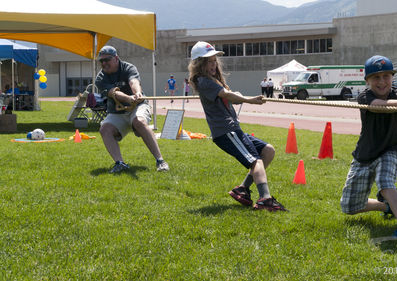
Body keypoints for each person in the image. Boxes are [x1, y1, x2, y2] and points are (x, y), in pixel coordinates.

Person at [188, 41, 286, 211]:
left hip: (233, 129)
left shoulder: (214, 80)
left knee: (268, 151)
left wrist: (240, 96)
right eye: (208, 61)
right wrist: (250, 100)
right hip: (226, 132)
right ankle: (265, 199)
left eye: (214, 61)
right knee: (255, 161)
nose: (213, 65)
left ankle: (242, 190)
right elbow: (227, 95)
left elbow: (229, 95)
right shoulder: (203, 81)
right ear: (199, 64)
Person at [340, 55, 397, 237]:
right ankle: (386, 206)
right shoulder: (365, 96)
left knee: (385, 184)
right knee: (349, 207)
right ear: (368, 81)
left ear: (392, 77)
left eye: (386, 76)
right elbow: (377, 106)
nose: (381, 81)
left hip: (390, 149)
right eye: (376, 77)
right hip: (364, 154)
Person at [94, 45, 170, 173]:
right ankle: (120, 163)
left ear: (116, 58)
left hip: (138, 106)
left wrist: (138, 93)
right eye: (101, 61)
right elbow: (114, 93)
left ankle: (160, 161)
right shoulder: (100, 79)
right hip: (117, 112)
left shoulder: (128, 67)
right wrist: (129, 98)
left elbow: (134, 82)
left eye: (107, 60)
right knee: (104, 129)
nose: (104, 63)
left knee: (139, 121)